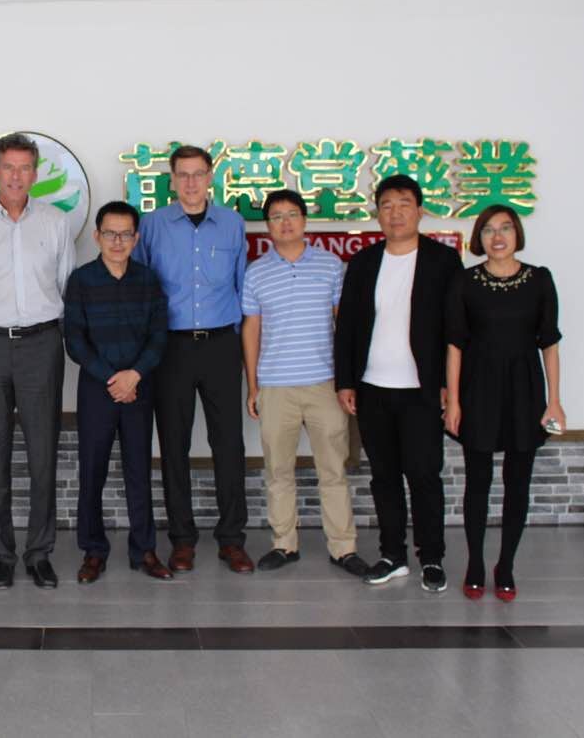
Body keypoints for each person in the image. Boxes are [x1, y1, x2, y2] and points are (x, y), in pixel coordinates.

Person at [0, 132, 75, 589]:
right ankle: (1, 555)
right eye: (9, 167)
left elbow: (65, 285)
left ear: (35, 173)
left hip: (42, 344)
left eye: (25, 168)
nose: (16, 176)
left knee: (43, 453)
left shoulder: (56, 223)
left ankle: (39, 553)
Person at [334, 175, 462, 591]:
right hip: (372, 388)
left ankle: (432, 557)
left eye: (404, 203)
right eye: (386, 205)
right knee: (384, 476)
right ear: (378, 214)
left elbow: (456, 329)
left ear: (420, 210)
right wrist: (346, 381)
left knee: (424, 475)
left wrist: (449, 384)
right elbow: (347, 327)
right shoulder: (364, 262)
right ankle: (392, 555)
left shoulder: (442, 261)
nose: (395, 212)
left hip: (422, 390)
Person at [133, 144, 252, 574]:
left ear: (210, 177)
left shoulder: (232, 224)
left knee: (229, 445)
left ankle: (232, 540)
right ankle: (182, 540)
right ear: (171, 180)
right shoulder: (152, 224)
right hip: (171, 348)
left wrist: (240, 349)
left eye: (198, 174)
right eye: (182, 174)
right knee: (174, 444)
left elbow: (242, 288)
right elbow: (140, 286)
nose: (190, 183)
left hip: (221, 345)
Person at [241, 190, 370, 577]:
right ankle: (284, 544)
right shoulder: (256, 272)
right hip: (275, 386)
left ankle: (343, 548)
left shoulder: (330, 266)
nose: (285, 222)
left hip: (324, 385)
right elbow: (251, 330)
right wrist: (253, 385)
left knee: (332, 470)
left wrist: (347, 380)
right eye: (276, 216)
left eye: (292, 214)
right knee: (278, 471)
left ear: (304, 220)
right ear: (268, 226)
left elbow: (343, 325)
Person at [444, 205, 563, 602]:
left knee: (518, 482)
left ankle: (506, 565)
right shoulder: (464, 282)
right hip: (478, 388)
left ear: (517, 234)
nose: (498, 237)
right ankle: (475, 563)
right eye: (489, 230)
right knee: (477, 482)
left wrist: (554, 401)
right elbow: (455, 346)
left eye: (505, 228)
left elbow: (549, 343)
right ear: (479, 238)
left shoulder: (540, 279)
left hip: (525, 390)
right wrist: (453, 401)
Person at [63, 201, 173, 583]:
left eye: (126, 234)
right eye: (110, 233)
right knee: (92, 471)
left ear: (136, 238)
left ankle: (144, 550)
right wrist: (113, 379)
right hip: (97, 389)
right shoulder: (81, 280)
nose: (117, 241)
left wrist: (134, 375)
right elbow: (75, 340)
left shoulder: (148, 280)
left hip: (139, 388)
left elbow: (159, 335)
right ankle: (93, 551)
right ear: (97, 236)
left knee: (139, 470)